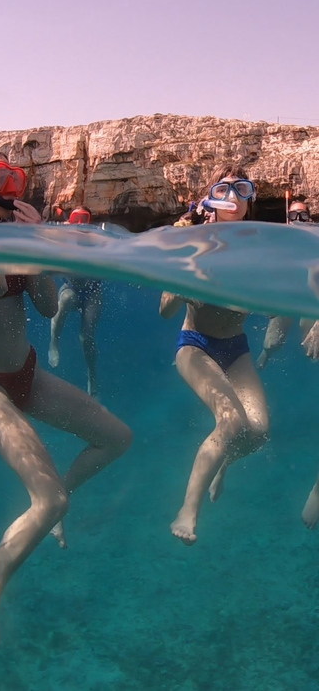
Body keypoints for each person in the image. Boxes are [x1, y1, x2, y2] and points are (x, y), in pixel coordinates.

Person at [0, 148, 133, 644]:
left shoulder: (12, 236)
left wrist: (36, 241)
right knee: (49, 502)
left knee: (116, 438)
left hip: (29, 373)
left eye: (15, 177)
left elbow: (46, 307)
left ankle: (55, 508)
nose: (11, 187)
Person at [160, 167, 269, 545]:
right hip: (196, 345)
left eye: (243, 189)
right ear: (210, 200)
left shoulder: (259, 244)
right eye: (223, 189)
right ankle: (187, 511)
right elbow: (165, 311)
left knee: (258, 433)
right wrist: (186, 266)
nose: (234, 196)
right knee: (230, 422)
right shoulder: (193, 242)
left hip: (236, 348)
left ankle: (222, 467)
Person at [257, 199, 319, 369]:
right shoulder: (278, 244)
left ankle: (311, 367)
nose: (298, 218)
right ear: (288, 220)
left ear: (310, 220)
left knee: (310, 338)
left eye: (303, 214)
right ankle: (266, 353)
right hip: (288, 296)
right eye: (293, 214)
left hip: (312, 298)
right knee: (272, 342)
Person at [48, 207, 103, 396]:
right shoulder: (63, 239)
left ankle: (91, 374)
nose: (79, 224)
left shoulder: (98, 240)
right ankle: (54, 341)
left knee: (87, 335)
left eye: (83, 219)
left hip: (93, 291)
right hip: (71, 287)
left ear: (91, 222)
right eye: (75, 219)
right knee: (64, 301)